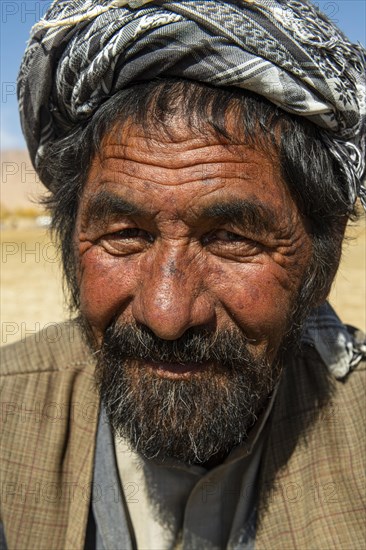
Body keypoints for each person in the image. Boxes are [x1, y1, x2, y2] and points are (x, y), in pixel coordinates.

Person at [1, 0, 365, 548]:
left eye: (232, 240)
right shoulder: (10, 413)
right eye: (125, 235)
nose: (167, 314)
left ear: (324, 255)